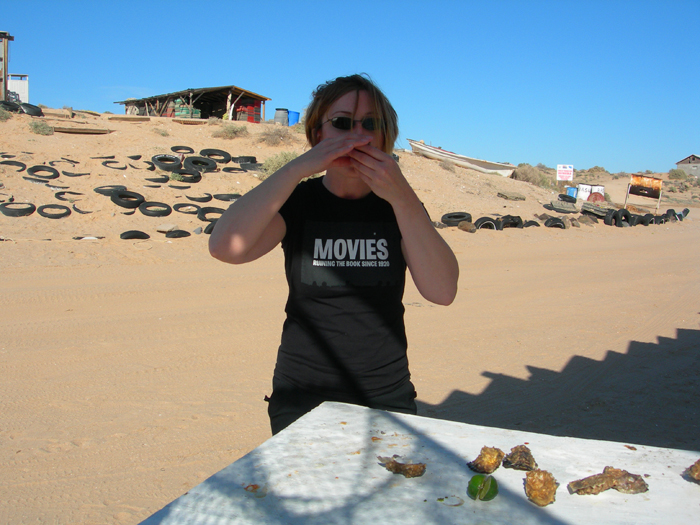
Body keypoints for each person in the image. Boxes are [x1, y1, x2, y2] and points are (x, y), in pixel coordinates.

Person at [209, 74, 459, 434]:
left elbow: (442, 292)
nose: (356, 137)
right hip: (302, 394)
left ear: (385, 136)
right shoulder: (298, 202)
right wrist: (297, 168)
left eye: (370, 125)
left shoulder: (401, 207)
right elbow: (225, 248)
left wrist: (402, 195)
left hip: (384, 394)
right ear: (317, 134)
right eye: (342, 124)